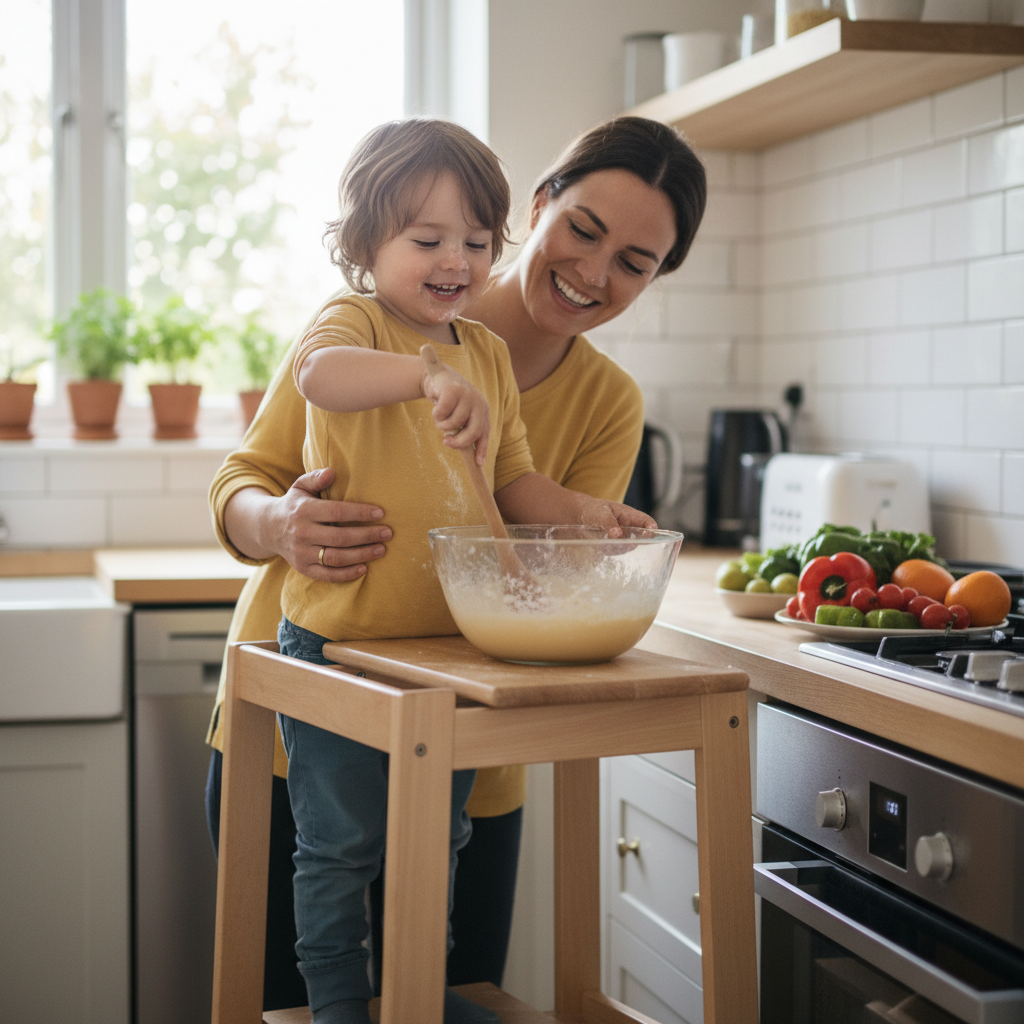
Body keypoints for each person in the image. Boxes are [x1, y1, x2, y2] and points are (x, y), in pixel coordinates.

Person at [205, 114, 707, 1011]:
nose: (594, 272)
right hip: (308, 690)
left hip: (463, 704)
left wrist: (593, 519)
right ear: (545, 204)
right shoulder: (368, 325)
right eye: (585, 230)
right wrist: (279, 525)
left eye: (634, 262)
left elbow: (522, 499)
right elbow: (251, 471)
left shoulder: (587, 395)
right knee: (312, 950)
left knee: (435, 969)